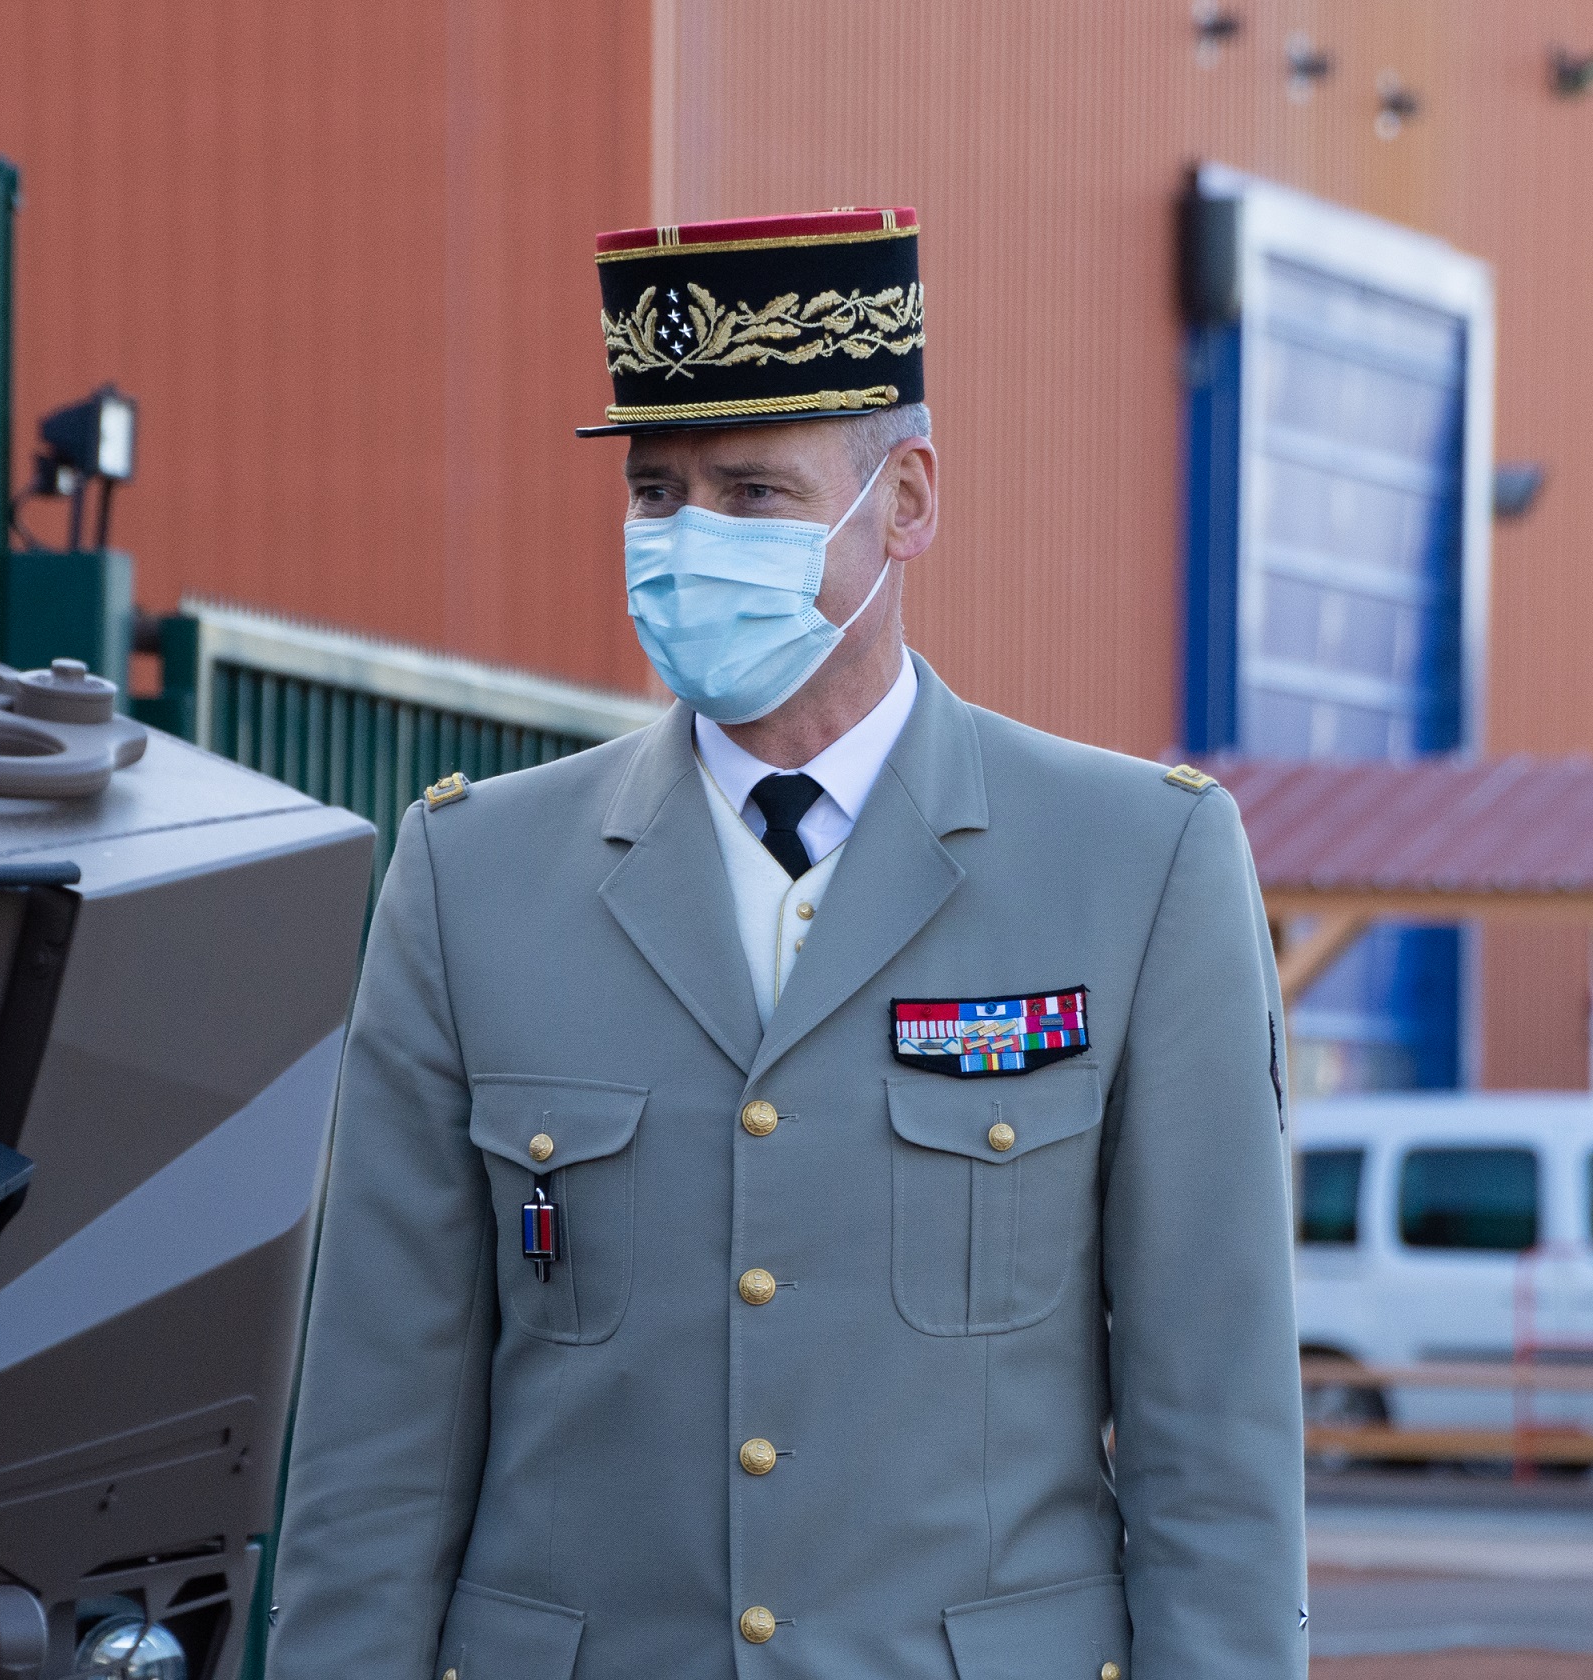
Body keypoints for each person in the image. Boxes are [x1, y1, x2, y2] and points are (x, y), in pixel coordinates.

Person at [268, 209, 1305, 1679]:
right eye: (656, 491)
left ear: (909, 501)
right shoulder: (473, 876)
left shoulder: (1135, 864)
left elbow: (1219, 1439)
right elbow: (377, 1438)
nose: (695, 540)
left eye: (757, 490)